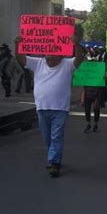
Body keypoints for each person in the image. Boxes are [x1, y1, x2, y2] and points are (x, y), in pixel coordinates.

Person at [14, 33, 84, 178]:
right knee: (47, 138)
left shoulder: (67, 64)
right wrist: (18, 45)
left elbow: (79, 59)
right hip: (42, 108)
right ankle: (53, 156)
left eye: (52, 54)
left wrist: (76, 44)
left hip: (60, 109)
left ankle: (55, 163)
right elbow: (21, 58)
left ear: (60, 55)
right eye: (47, 54)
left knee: (56, 136)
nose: (48, 57)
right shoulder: (38, 63)